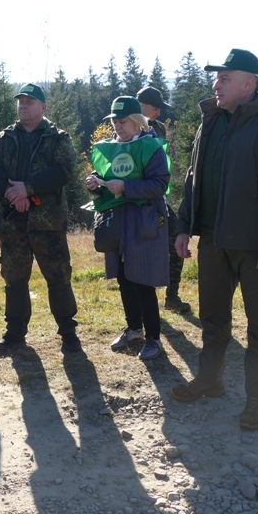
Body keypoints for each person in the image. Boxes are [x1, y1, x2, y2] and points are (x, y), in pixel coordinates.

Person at [170, 49, 258, 431]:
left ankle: (257, 397)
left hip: (256, 245)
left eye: (225, 78)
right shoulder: (210, 123)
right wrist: (184, 227)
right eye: (217, 78)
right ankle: (210, 379)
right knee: (212, 318)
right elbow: (192, 180)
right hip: (214, 239)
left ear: (249, 84)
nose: (216, 85)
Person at [0, 83, 81, 354]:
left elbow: (63, 170)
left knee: (59, 277)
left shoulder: (59, 137)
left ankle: (68, 332)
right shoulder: (1, 139)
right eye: (21, 101)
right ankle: (14, 333)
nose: (23, 105)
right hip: (12, 223)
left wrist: (28, 187)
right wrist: (13, 193)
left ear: (43, 107)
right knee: (14, 279)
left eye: (30, 101)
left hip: (48, 224)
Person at [87, 96, 170, 360]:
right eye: (114, 121)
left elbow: (159, 186)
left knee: (142, 279)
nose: (117, 126)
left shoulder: (151, 148)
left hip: (143, 223)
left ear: (137, 122)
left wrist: (126, 187)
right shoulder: (108, 149)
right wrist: (94, 185)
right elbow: (103, 189)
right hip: (117, 223)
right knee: (123, 278)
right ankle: (134, 329)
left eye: (123, 121)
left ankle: (154, 338)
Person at [137, 86, 190, 314]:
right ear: (141, 106)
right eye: (155, 108)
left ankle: (172, 296)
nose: (159, 113)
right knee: (140, 255)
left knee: (176, 239)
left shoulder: (158, 128)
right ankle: (141, 305)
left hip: (158, 198)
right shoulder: (126, 127)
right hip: (135, 202)